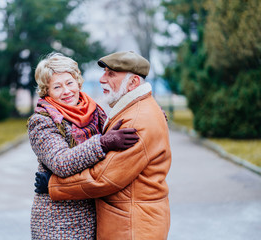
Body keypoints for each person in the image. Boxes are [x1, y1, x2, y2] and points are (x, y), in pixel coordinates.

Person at [35, 51, 172, 240]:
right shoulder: (43, 121)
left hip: (115, 222)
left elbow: (104, 178)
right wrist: (102, 143)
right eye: (57, 87)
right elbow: (61, 162)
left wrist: (53, 185)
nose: (66, 91)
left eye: (69, 83)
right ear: (46, 91)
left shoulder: (94, 111)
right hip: (61, 223)